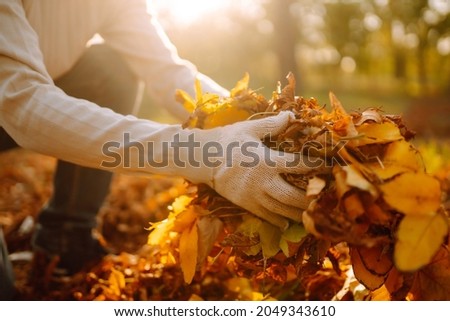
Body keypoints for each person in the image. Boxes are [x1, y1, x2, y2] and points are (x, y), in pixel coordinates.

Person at [0, 0, 315, 296]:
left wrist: (270, 123)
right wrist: (209, 154)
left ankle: (65, 239)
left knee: (109, 68)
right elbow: (21, 102)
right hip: (14, 105)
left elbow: (168, 73)